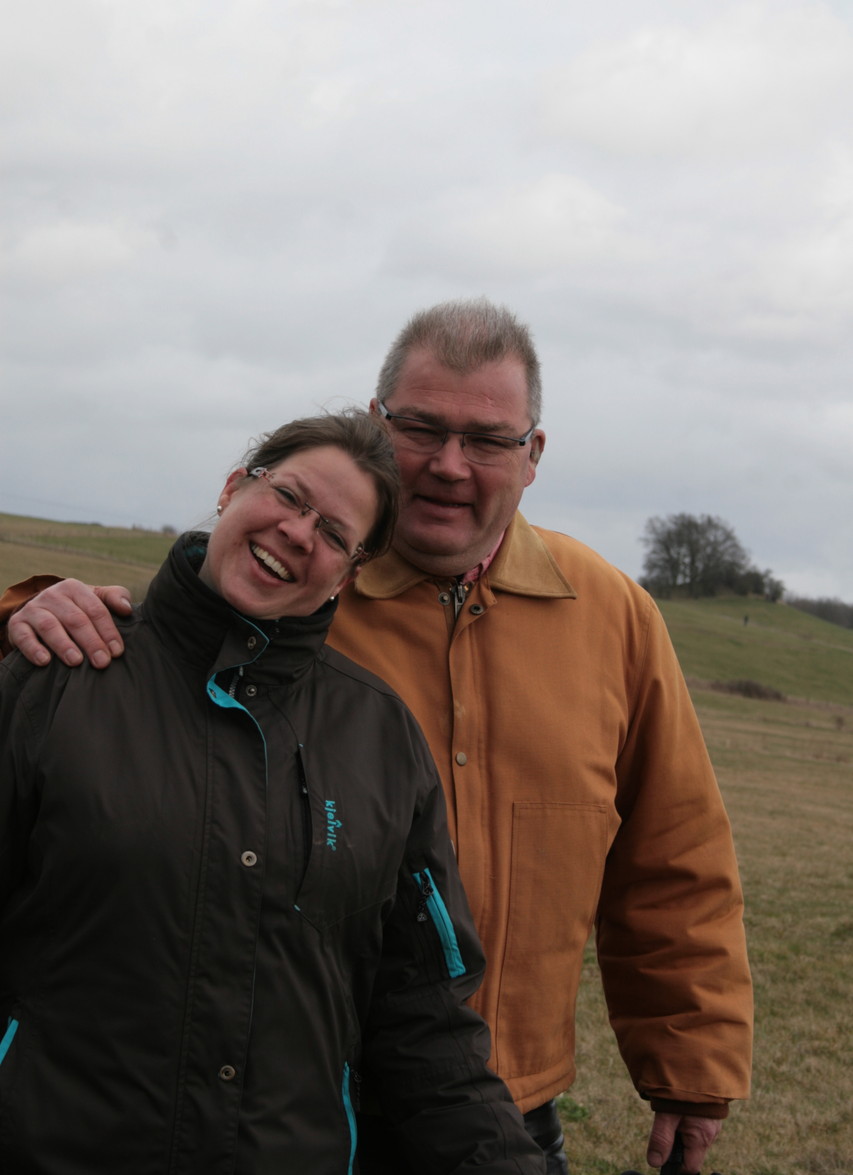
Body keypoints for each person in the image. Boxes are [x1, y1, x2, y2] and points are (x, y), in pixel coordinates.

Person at [1, 301, 753, 1175]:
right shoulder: (283, 597)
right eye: (422, 427)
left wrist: (690, 1067)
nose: (448, 465)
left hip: (488, 1104)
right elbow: (141, 661)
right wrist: (27, 611)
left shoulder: (615, 617)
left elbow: (673, 855)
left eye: (486, 439)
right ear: (374, 420)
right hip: (290, 1103)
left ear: (533, 455)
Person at [0, 408, 546, 1175]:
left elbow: (423, 1023)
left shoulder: (382, 739)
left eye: (332, 532)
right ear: (232, 488)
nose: (298, 532)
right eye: (289, 496)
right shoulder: (60, 673)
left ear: (349, 575)